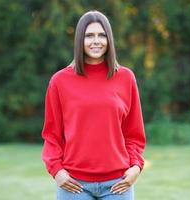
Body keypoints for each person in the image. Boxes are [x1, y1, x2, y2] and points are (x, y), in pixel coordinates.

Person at [41, 10, 146, 200]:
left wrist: (136, 167)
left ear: (109, 40)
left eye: (102, 35)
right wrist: (56, 170)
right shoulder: (59, 81)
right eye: (89, 35)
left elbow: (134, 133)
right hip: (74, 185)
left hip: (118, 184)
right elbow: (52, 134)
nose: (96, 41)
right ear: (79, 40)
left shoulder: (125, 78)